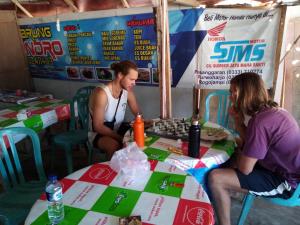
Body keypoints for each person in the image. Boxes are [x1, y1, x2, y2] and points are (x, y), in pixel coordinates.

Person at [208, 72, 300, 225]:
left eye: (232, 92)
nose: (230, 97)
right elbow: (251, 143)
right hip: (280, 169)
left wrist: (239, 153)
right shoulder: (271, 111)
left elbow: (245, 169)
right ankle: (221, 195)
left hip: (287, 183)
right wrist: (238, 122)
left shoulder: (261, 122)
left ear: (242, 94)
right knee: (234, 153)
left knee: (216, 178)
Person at [88, 60, 140, 159]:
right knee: (113, 145)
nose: (134, 83)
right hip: (98, 134)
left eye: (135, 80)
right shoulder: (102, 93)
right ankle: (111, 172)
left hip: (117, 130)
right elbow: (98, 126)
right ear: (120, 75)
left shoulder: (127, 92)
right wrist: (121, 138)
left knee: (138, 138)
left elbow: (138, 114)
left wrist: (144, 123)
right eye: (131, 79)